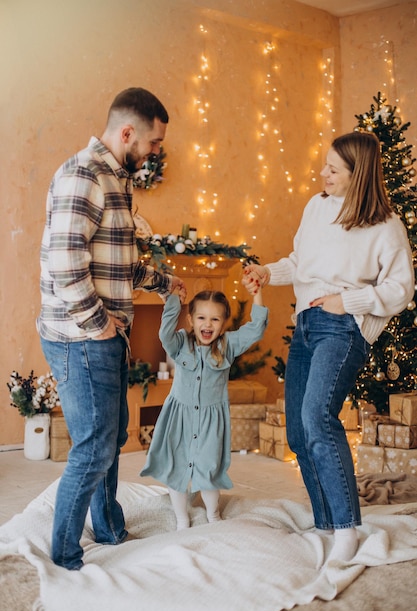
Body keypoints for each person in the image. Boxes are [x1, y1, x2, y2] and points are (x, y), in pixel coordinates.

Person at [243, 131, 414, 563]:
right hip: (304, 324)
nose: (323, 174)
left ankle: (347, 528)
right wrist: (266, 271)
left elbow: (401, 289)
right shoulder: (317, 207)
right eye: (325, 165)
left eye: (333, 169)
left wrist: (347, 302)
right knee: (299, 433)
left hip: (343, 327)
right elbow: (301, 263)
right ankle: (326, 523)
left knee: (317, 417)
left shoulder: (385, 226)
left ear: (358, 176)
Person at [37, 87, 185, 570]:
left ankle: (109, 526)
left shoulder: (116, 178)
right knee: (95, 442)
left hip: (102, 334)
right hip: (81, 337)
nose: (156, 152)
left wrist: (164, 282)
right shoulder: (84, 174)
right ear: (128, 132)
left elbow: (118, 264)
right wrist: (100, 326)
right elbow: (65, 265)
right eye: (154, 142)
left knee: (112, 433)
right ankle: (64, 555)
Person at [140, 285, 268, 530]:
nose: (207, 324)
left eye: (215, 319)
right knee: (176, 465)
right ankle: (181, 518)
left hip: (211, 420)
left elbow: (256, 329)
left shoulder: (228, 345)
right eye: (201, 317)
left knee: (209, 468)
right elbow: (164, 333)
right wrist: (173, 301)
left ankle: (213, 515)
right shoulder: (180, 343)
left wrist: (257, 293)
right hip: (180, 417)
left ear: (223, 323)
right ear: (190, 319)